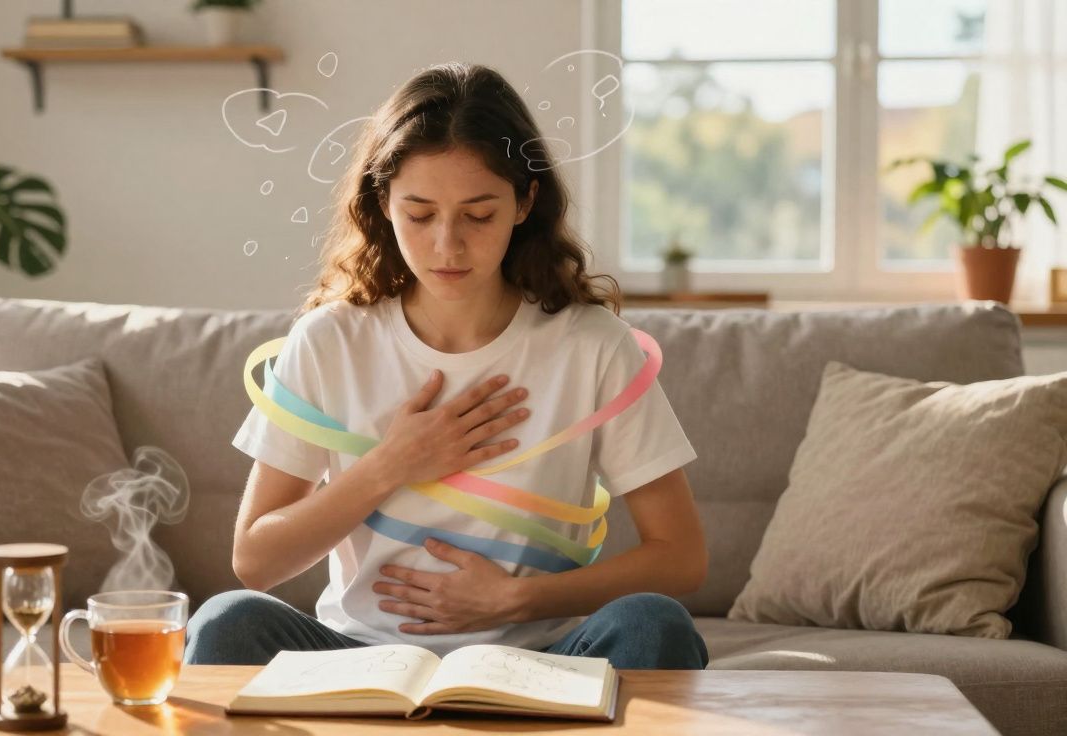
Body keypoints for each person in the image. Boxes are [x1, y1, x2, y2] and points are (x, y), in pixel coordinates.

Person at [186, 62, 709, 670]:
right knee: (229, 621)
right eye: (420, 213)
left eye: (478, 214)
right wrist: (390, 464)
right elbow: (255, 561)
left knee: (653, 623)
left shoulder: (592, 345)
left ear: (524, 202)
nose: (447, 245)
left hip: (544, 658)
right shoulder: (329, 340)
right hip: (358, 654)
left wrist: (517, 599)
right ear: (382, 202)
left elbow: (681, 557)